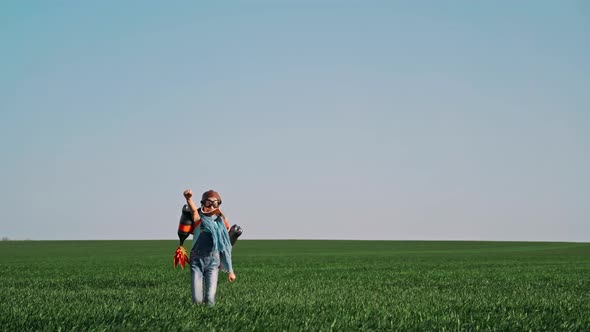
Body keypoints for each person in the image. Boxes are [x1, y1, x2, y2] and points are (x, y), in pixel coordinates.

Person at [183, 189, 236, 306]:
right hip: (196, 261)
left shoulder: (220, 224)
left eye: (215, 204)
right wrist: (188, 199)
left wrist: (230, 271)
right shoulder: (199, 221)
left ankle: (208, 318)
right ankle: (197, 316)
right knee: (196, 300)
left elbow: (226, 248)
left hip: (213, 262)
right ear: (202, 204)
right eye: (208, 203)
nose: (211, 207)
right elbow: (193, 211)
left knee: (210, 298)